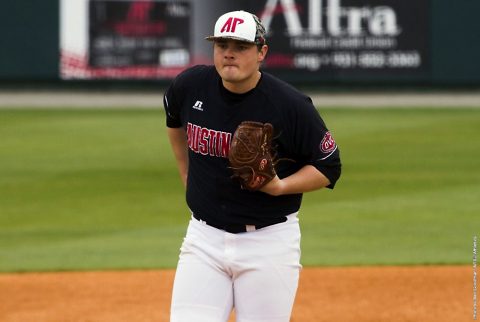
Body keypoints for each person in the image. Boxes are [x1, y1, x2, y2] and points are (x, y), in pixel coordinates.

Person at [163, 10, 341, 322]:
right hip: (203, 240)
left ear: (262, 52)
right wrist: (187, 175)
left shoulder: (290, 105)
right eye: (222, 45)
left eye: (241, 47)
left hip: (268, 243)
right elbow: (173, 120)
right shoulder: (190, 86)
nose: (229, 53)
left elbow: (329, 166)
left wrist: (281, 186)